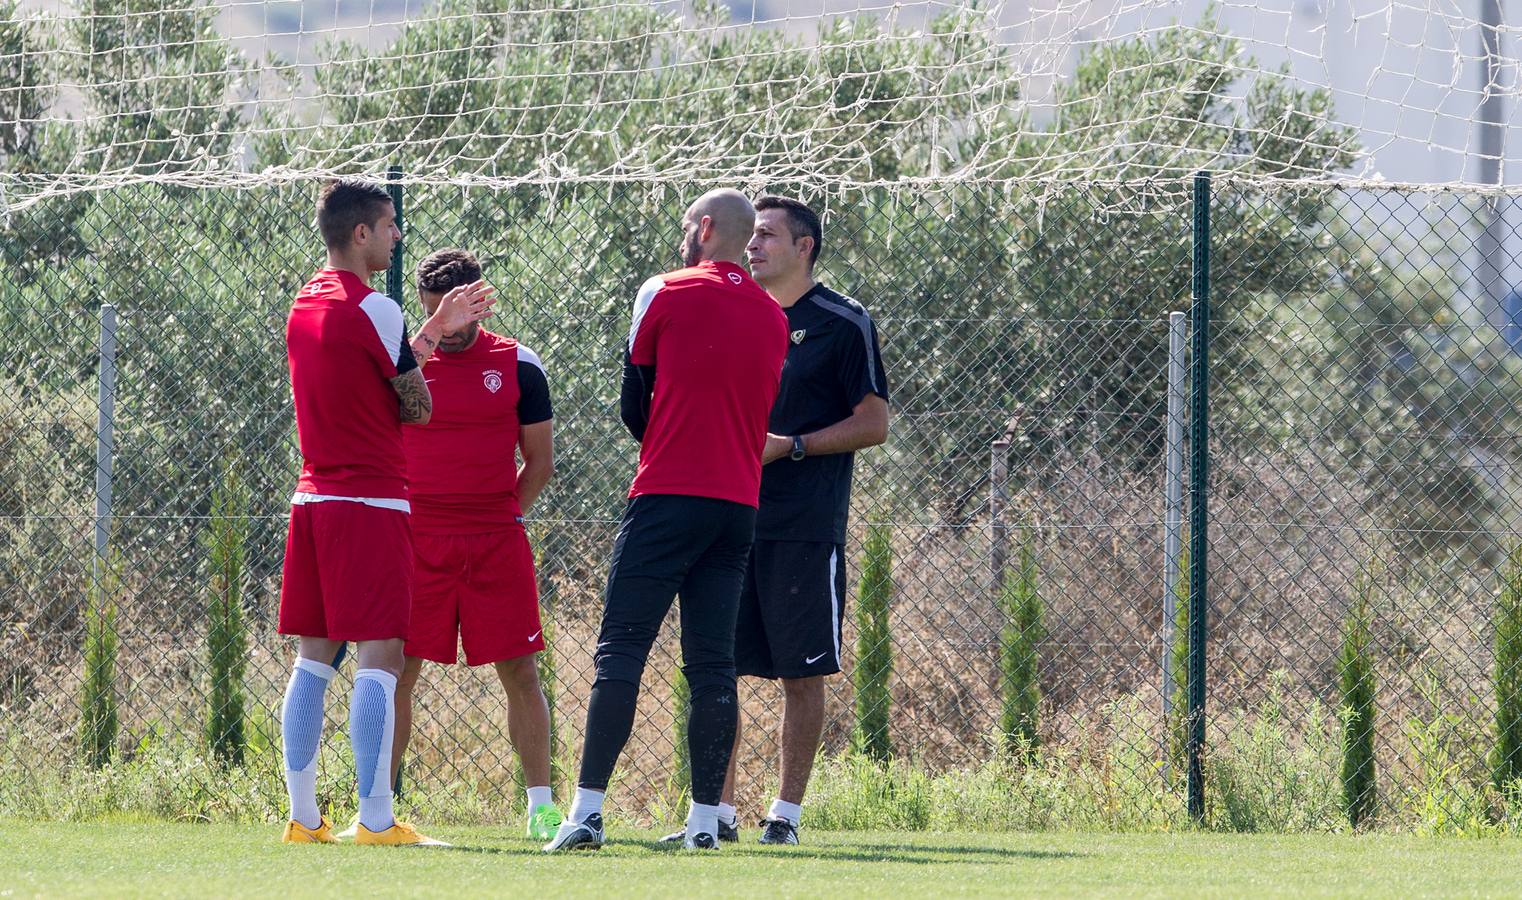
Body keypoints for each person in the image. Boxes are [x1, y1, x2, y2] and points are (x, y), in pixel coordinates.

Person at [543, 189, 789, 853]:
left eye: (688, 226)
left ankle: (587, 814)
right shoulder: (772, 317)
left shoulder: (665, 289)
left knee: (621, 648)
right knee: (713, 668)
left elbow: (634, 402)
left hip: (666, 494)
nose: (685, 236)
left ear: (704, 229)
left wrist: (670, 443)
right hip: (738, 505)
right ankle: (706, 824)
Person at [277, 178, 492, 846]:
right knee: (382, 656)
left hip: (312, 497)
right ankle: (374, 818)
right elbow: (416, 405)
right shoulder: (377, 308)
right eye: (391, 224)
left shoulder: (303, 301)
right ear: (362, 233)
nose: (398, 236)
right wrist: (435, 331)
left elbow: (371, 385)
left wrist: (418, 339)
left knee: (313, 660)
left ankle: (304, 818)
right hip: (368, 500)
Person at [717, 195, 890, 846]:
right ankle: (717, 814)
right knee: (717, 667)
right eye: (750, 235)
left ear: (804, 246)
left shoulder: (843, 322)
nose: (752, 245)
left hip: (804, 524)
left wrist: (789, 445)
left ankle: (784, 818)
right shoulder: (730, 311)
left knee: (801, 672)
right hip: (725, 518)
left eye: (766, 236)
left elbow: (874, 423)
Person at [392, 248, 563, 841]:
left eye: (456, 310)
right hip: (417, 540)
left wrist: (501, 517)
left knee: (520, 671)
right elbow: (373, 424)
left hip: (495, 538)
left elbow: (539, 462)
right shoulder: (403, 360)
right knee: (395, 671)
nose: (446, 323)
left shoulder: (519, 365)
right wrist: (426, 337)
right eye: (434, 312)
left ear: (481, 301)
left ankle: (541, 807)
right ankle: (379, 809)